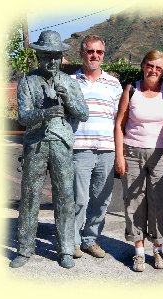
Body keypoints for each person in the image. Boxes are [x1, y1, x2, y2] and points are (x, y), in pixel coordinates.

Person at [9, 30, 89, 269]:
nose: (51, 61)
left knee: (65, 196)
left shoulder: (69, 83)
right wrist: (44, 113)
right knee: (30, 197)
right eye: (46, 56)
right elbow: (23, 117)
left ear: (61, 57)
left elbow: (83, 114)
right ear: (39, 57)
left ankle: (65, 248)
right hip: (35, 144)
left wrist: (69, 101)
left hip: (62, 144)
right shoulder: (28, 81)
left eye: (55, 56)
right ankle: (24, 248)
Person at [114, 50, 163, 272]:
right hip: (132, 151)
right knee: (134, 201)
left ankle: (157, 249)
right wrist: (119, 155)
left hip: (162, 153)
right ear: (143, 65)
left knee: (159, 202)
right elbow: (120, 124)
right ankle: (139, 252)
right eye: (150, 65)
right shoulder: (131, 89)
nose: (154, 71)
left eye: (159, 68)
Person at [70, 34, 123, 259]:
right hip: (79, 149)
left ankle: (90, 239)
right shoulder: (70, 82)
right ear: (82, 53)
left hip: (106, 150)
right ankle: (71, 241)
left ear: (103, 55)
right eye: (90, 51)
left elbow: (119, 119)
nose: (95, 56)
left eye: (99, 52)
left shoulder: (114, 84)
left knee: (102, 200)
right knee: (78, 199)